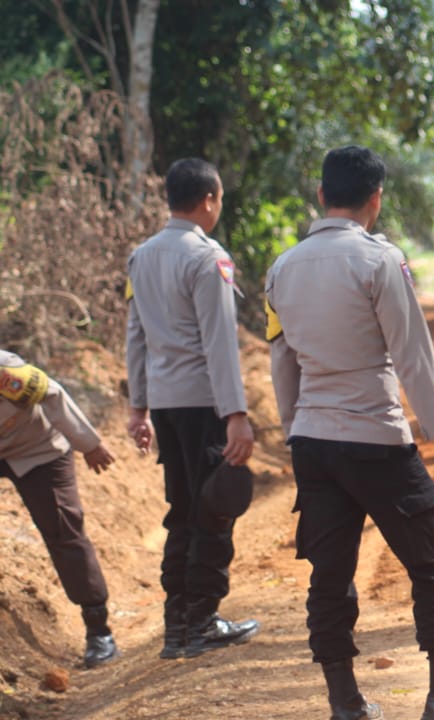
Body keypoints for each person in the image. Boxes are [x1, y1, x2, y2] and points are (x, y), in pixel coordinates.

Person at [265, 145, 434, 720]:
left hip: (313, 441)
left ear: (322, 196)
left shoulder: (282, 267)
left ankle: (346, 703)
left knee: (331, 575)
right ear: (375, 200)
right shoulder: (380, 261)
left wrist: (293, 430)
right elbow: (412, 354)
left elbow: (283, 365)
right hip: (374, 435)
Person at [125, 157, 260, 660]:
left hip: (164, 403)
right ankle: (201, 621)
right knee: (215, 510)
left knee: (182, 509)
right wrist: (236, 414)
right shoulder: (208, 258)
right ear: (208, 199)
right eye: (219, 199)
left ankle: (177, 624)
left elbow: (135, 337)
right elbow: (219, 342)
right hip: (204, 402)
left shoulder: (141, 257)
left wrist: (138, 407)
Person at [0, 351, 119, 668]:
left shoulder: (6, 371)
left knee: (63, 530)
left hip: (38, 449)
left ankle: (98, 629)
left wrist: (89, 444)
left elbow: (53, 396)